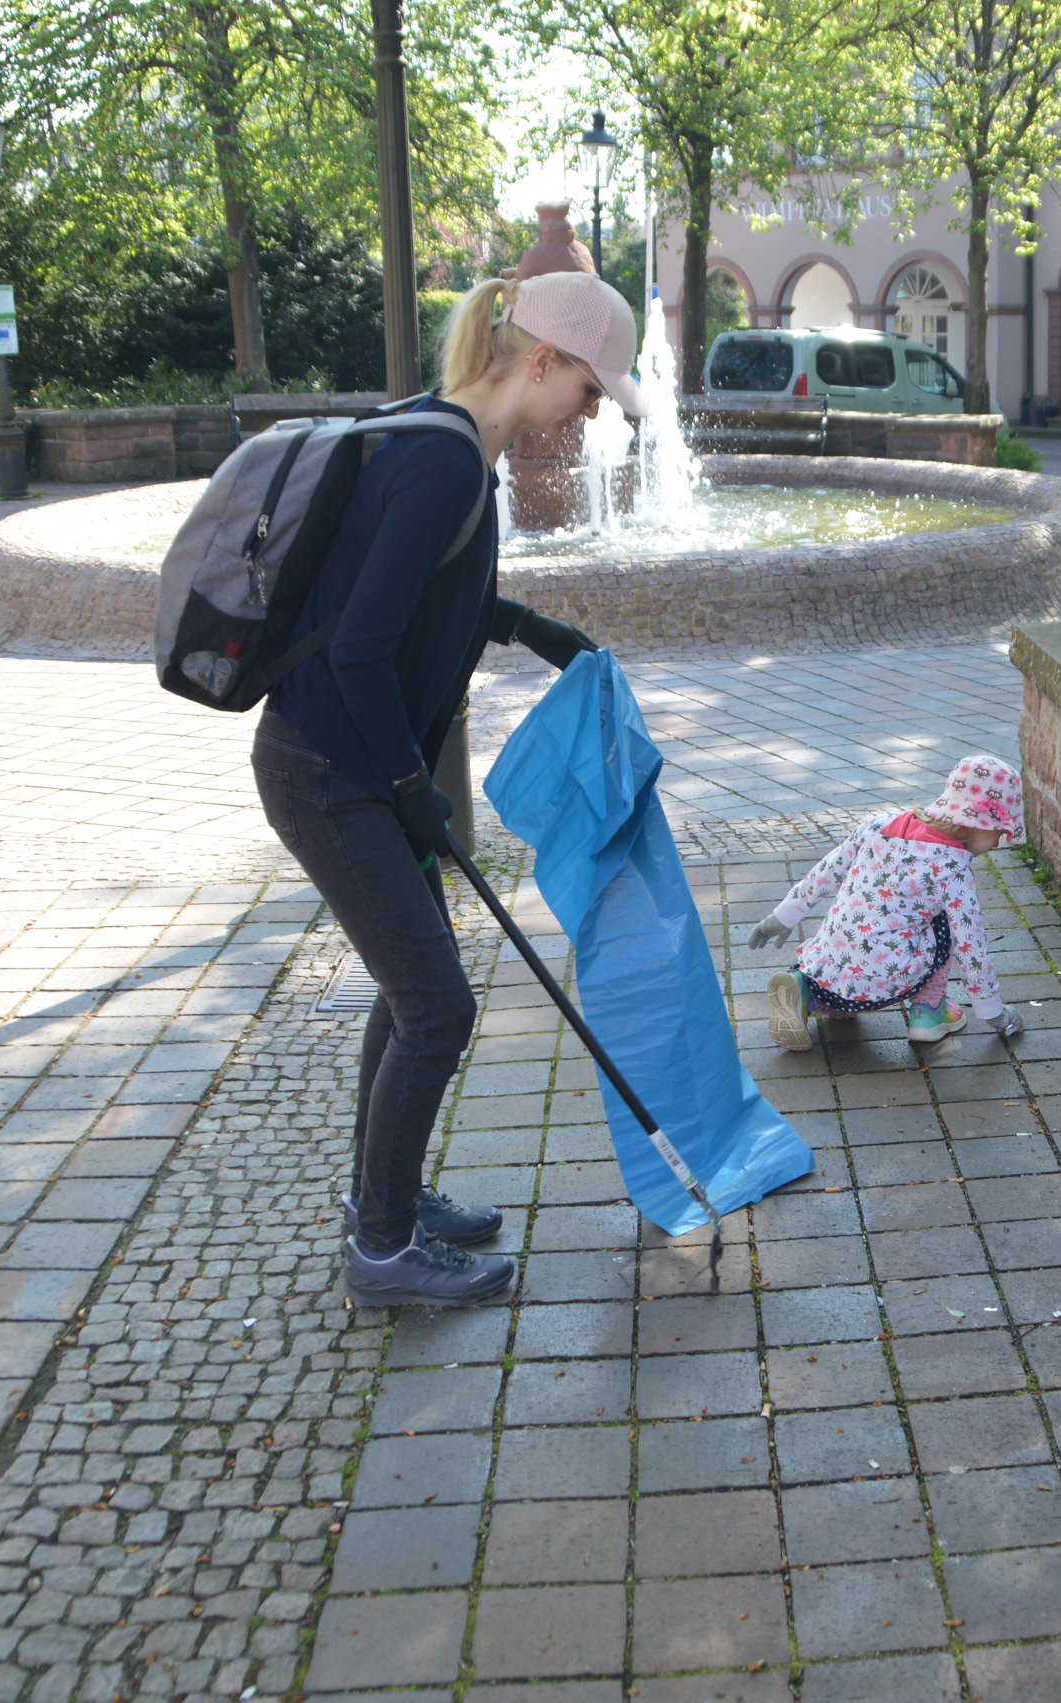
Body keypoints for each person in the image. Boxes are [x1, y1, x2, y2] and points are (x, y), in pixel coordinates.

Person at [253, 270, 648, 1306]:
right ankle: (381, 1247)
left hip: (352, 767)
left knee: (412, 991)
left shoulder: (450, 442)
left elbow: (425, 591)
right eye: (591, 387)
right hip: (329, 771)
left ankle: (386, 1198)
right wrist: (404, 784)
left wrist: (522, 627)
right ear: (541, 361)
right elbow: (362, 651)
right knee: (438, 1005)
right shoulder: (441, 464)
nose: (593, 410)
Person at [749, 755, 1029, 1051]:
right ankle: (928, 1012)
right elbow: (971, 948)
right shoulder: (953, 870)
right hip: (886, 979)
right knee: (947, 924)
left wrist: (780, 919)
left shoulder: (879, 824)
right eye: (999, 831)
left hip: (828, 968)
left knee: (857, 930)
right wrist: (993, 1012)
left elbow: (826, 871)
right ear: (977, 824)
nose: (998, 843)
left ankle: (805, 991)